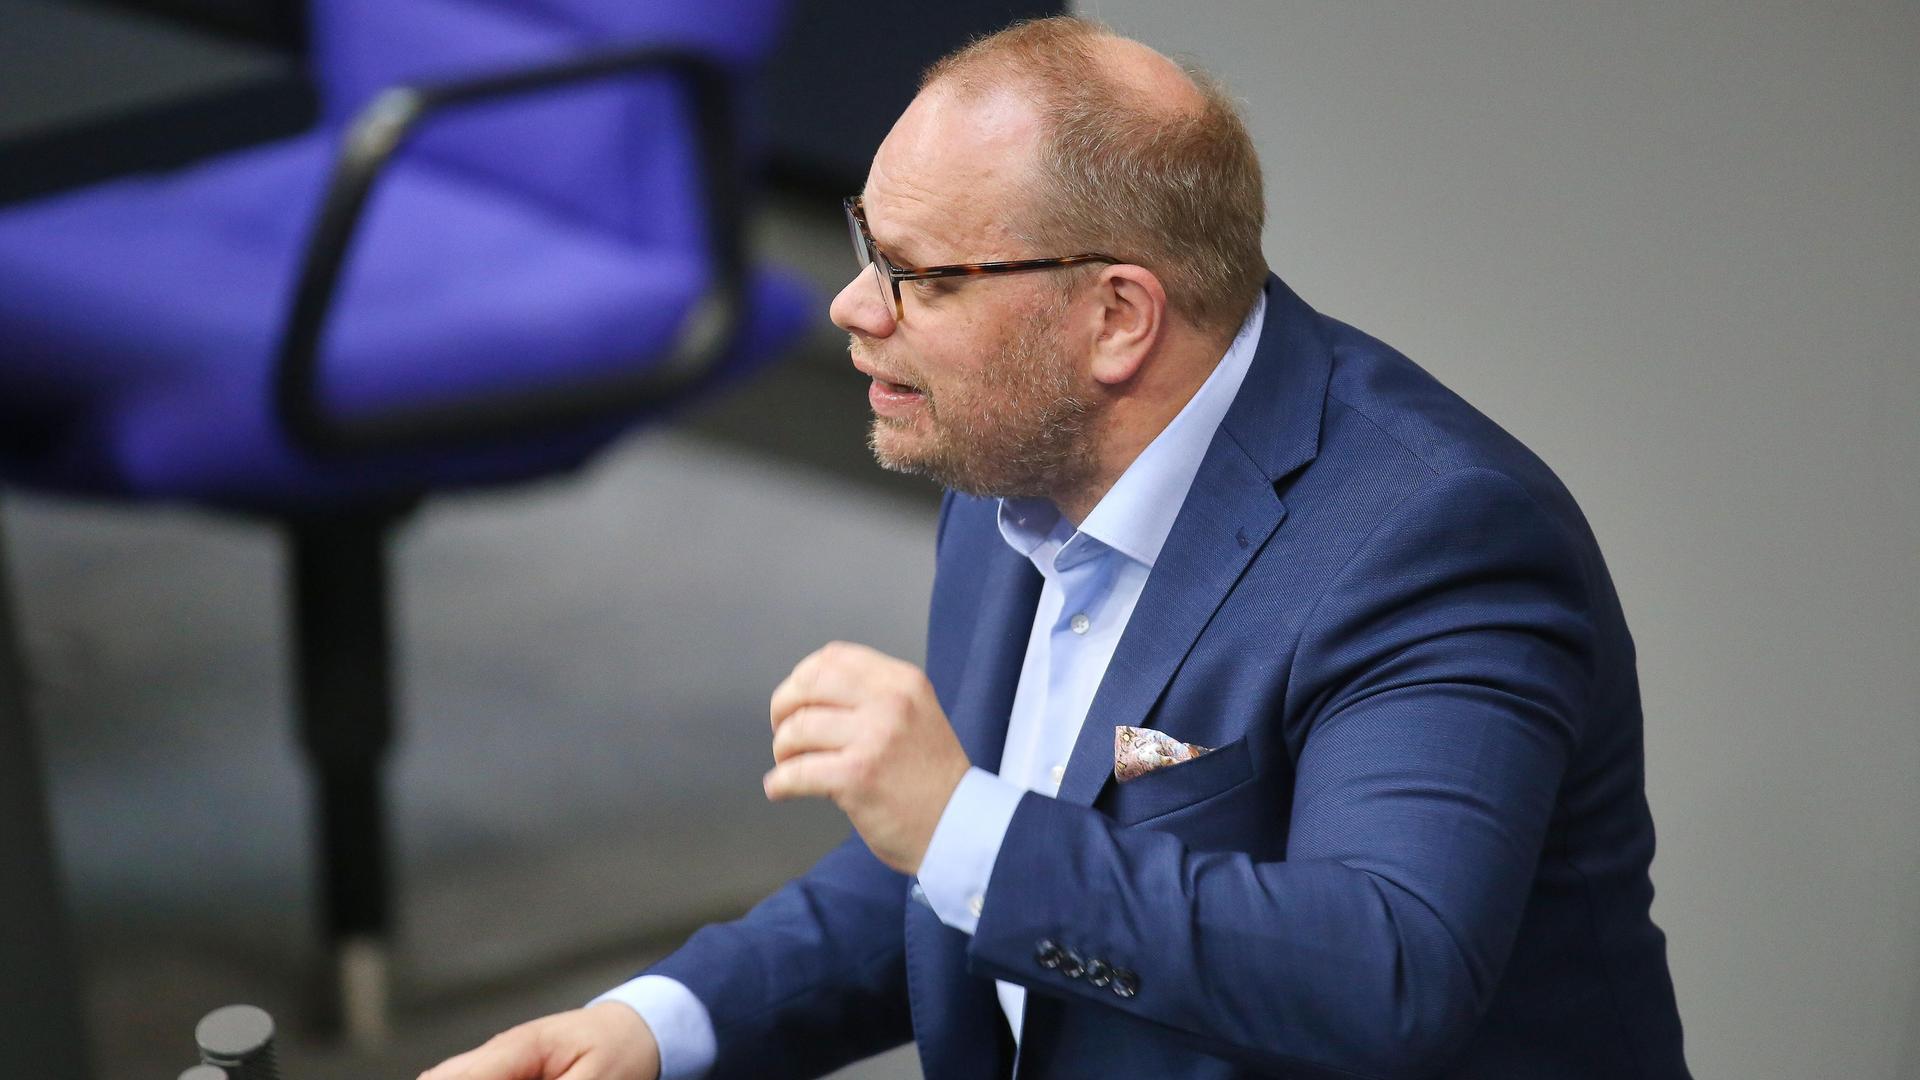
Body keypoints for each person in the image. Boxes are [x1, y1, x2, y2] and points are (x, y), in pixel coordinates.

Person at [421, 16, 1689, 1080]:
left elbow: (1387, 970)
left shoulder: (1434, 541)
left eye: (919, 275)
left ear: (1115, 318)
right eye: (870, 247)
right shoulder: (1012, 467)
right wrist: (653, 1030)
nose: (854, 309)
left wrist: (962, 825)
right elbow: (948, 866)